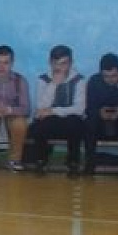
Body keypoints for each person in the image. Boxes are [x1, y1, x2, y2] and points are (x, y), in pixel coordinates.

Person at [30, 45, 88, 177]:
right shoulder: (43, 79)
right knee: (40, 124)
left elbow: (79, 108)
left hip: (70, 119)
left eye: (64, 63)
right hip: (51, 120)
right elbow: (41, 107)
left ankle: (73, 162)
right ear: (50, 63)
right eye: (55, 63)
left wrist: (53, 111)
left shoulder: (79, 80)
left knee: (75, 123)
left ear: (71, 63)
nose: (59, 68)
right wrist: (53, 84)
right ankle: (41, 161)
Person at [84, 53, 118, 176]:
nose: (110, 79)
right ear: (100, 73)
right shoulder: (94, 81)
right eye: (106, 76)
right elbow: (89, 107)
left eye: (114, 76)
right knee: (90, 122)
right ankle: (90, 164)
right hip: (100, 123)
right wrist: (99, 112)